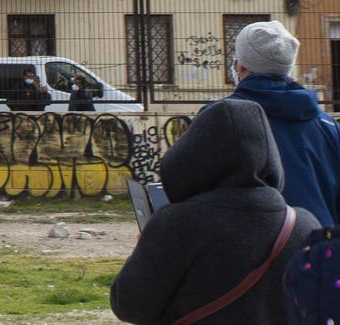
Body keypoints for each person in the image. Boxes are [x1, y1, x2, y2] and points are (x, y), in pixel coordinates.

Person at [112, 97, 318, 325]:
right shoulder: (306, 225)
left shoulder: (177, 224)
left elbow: (129, 306)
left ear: (196, 154)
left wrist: (143, 249)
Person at [223, 20, 340, 230]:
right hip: (319, 254)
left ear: (239, 66)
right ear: (288, 67)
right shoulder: (328, 127)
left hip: (251, 254)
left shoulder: (221, 118)